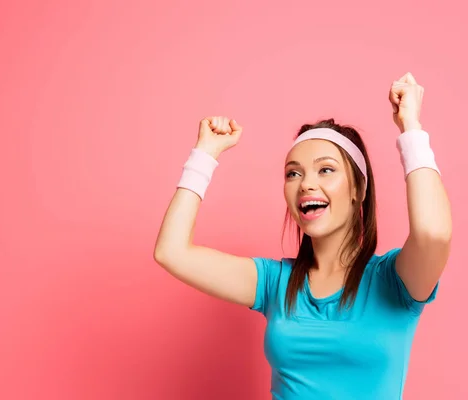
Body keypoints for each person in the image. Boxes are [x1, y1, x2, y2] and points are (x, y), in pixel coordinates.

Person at [153, 72, 452, 399]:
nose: (306, 183)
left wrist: (411, 129)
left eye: (326, 169)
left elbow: (433, 234)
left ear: (359, 188)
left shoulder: (394, 282)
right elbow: (172, 252)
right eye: (293, 173)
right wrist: (204, 155)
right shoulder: (274, 283)